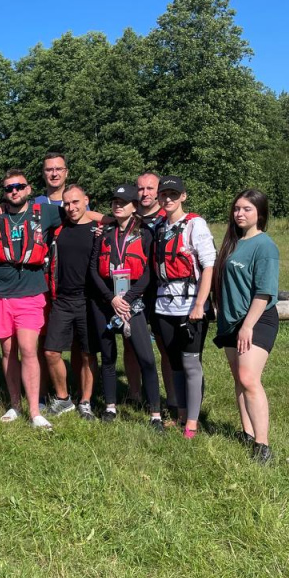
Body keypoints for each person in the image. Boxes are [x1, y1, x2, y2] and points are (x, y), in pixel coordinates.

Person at [0, 168, 61, 428]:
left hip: (31, 292)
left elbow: (79, 214)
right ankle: (14, 405)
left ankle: (35, 411)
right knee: (8, 352)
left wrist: (110, 219)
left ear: (29, 189)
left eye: (19, 186)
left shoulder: (46, 212)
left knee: (29, 350)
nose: (14, 191)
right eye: (9, 188)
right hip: (1, 293)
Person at [89, 185, 164, 432]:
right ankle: (110, 407)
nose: (118, 205)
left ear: (134, 206)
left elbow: (149, 272)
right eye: (115, 202)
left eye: (124, 202)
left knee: (146, 358)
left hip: (133, 301)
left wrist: (128, 298)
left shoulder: (145, 233)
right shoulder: (104, 233)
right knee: (108, 357)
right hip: (106, 302)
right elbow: (93, 270)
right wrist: (112, 298)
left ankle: (155, 414)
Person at [212, 190, 280, 463]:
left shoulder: (265, 246)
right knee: (239, 379)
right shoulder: (233, 242)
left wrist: (247, 325)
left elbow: (264, 292)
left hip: (256, 319)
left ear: (260, 214)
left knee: (249, 379)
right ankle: (247, 433)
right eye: (237, 208)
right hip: (231, 321)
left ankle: (263, 445)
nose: (239, 213)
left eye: (247, 209)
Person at [153, 177, 216, 439]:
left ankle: (192, 422)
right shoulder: (160, 227)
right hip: (164, 305)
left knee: (191, 363)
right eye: (164, 194)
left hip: (190, 305)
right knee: (175, 362)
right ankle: (180, 414)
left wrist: (200, 305)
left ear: (183, 196)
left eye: (173, 194)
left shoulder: (194, 224)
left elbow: (209, 265)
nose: (168, 199)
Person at [44, 184, 100, 420]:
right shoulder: (58, 229)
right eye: (66, 203)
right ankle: (63, 398)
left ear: (86, 200)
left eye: (75, 202)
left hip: (88, 300)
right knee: (51, 352)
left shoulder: (98, 229)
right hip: (62, 300)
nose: (71, 207)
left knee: (87, 354)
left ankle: (85, 401)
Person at [125, 171, 177, 414]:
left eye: (150, 188)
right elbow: (99, 218)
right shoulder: (128, 217)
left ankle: (172, 400)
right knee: (130, 344)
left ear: (159, 191)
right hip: (134, 291)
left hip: (161, 290)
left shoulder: (169, 217)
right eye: (140, 188)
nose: (145, 193)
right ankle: (135, 395)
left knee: (165, 347)